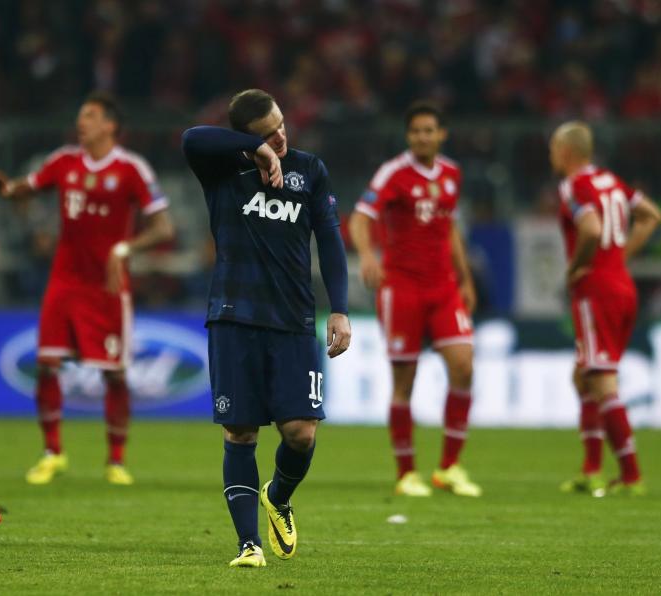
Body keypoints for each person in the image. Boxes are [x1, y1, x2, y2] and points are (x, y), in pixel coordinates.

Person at [182, 89, 351, 568]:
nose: (280, 135)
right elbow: (192, 137)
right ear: (245, 139)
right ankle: (248, 545)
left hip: (295, 321)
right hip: (235, 318)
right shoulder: (222, 170)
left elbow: (331, 239)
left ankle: (277, 495)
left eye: (280, 124)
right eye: (266, 132)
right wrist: (251, 150)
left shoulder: (310, 171)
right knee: (240, 434)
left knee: (301, 434)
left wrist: (338, 308)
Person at [0, 92, 174, 486]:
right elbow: (31, 185)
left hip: (106, 288)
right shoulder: (64, 161)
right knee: (47, 364)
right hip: (64, 281)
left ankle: (116, 460)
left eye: (89, 116)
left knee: (115, 375)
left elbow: (164, 227)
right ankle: (52, 452)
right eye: (80, 115)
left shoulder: (131, 168)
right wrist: (9, 190)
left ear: (110, 125)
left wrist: (125, 248)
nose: (81, 122)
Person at [349, 101, 481, 498]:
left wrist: (465, 278)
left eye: (429, 130)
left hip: (443, 288)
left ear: (442, 134)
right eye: (416, 131)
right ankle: (407, 472)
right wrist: (368, 255)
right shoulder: (394, 173)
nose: (423, 137)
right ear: (409, 136)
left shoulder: (453, 173)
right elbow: (360, 217)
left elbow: (449, 228)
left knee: (464, 367)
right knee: (404, 381)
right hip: (402, 288)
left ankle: (449, 467)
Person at [550, 121, 661, 496]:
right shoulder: (611, 181)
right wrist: (620, 257)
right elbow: (651, 216)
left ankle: (631, 475)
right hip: (622, 286)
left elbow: (592, 229)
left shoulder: (572, 186)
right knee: (584, 374)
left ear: (565, 152)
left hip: (595, 290)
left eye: (553, 148)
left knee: (601, 379)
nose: (552, 155)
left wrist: (579, 266)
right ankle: (591, 469)